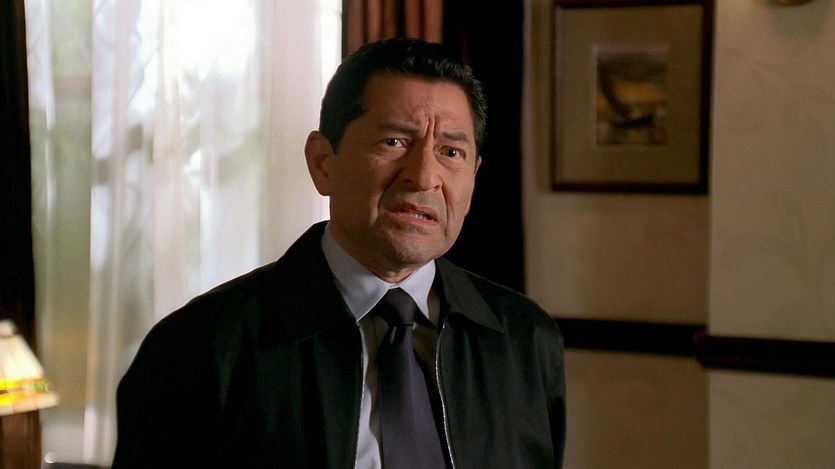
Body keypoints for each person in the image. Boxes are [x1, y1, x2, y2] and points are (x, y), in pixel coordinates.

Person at [112, 37, 565, 469]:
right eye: (394, 142)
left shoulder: (524, 341)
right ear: (323, 162)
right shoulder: (202, 349)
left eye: (450, 151)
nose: (425, 176)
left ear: (474, 176)